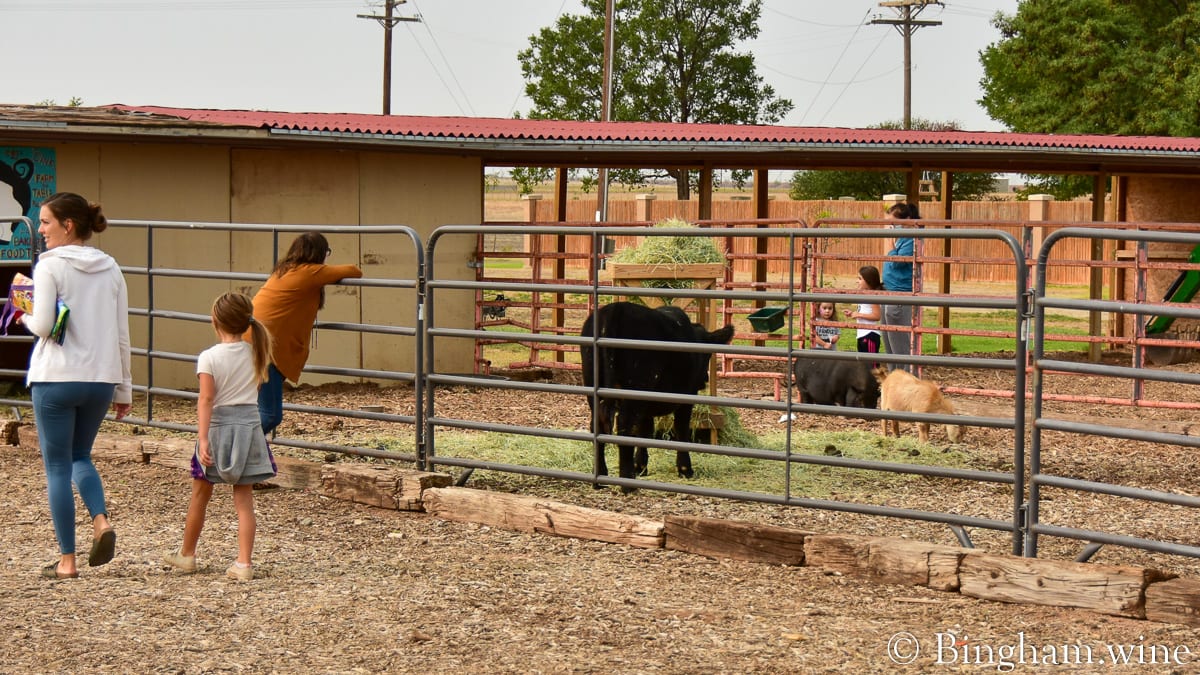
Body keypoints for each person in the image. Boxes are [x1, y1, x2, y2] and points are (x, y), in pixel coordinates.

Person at [20, 192, 132, 579]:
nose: (43, 230)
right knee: (81, 455)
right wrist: (125, 388)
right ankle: (100, 521)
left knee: (56, 467)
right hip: (101, 379)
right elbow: (122, 333)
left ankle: (67, 560)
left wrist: (21, 312)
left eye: (47, 222)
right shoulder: (111, 267)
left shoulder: (49, 266)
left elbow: (44, 326)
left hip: (56, 378)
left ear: (68, 225)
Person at [165, 292, 275, 581]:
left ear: (215, 322)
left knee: (200, 496)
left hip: (217, 430)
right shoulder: (256, 353)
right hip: (249, 429)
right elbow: (255, 393)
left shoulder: (209, 357)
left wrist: (202, 439)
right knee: (244, 502)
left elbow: (206, 400)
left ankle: (187, 554)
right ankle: (243, 563)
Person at [252, 233, 362, 436]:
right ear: (320, 253)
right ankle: (231, 450)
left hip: (254, 340)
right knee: (269, 415)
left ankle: (239, 452)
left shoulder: (283, 270)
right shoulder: (310, 272)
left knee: (258, 410)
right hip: (266, 347)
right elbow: (354, 270)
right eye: (326, 253)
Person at [881, 202, 919, 372]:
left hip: (900, 293)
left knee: (900, 343)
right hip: (889, 290)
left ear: (908, 220)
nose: (891, 226)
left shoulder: (911, 238)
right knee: (889, 341)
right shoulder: (902, 237)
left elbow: (896, 263)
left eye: (894, 223)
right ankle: (894, 377)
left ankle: (903, 376)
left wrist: (889, 240)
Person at [844, 265, 882, 361]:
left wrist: (859, 315)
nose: (857, 281)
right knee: (863, 365)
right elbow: (865, 310)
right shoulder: (865, 294)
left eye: (860, 278)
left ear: (868, 281)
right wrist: (853, 313)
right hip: (862, 334)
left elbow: (877, 315)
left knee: (872, 367)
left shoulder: (873, 296)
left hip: (870, 334)